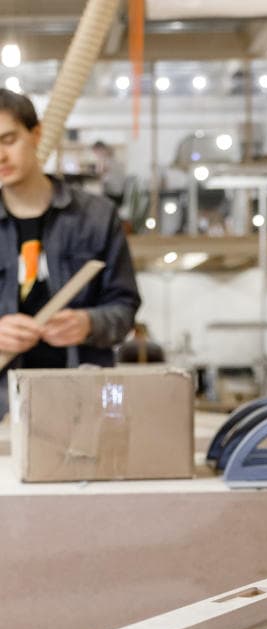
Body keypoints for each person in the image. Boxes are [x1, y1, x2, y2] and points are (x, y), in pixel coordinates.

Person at [0, 90, 140, 415]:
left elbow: (125, 306)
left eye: (8, 139)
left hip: (83, 402)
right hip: (5, 409)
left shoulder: (96, 217)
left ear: (36, 134)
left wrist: (88, 323)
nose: (0, 155)